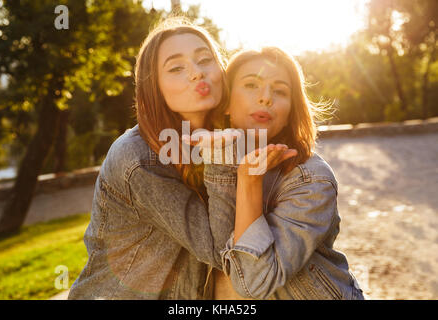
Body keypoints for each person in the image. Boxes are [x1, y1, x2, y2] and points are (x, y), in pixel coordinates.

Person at [68, 17, 237, 299]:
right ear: (154, 87)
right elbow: (222, 251)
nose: (196, 73)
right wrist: (221, 155)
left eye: (205, 59)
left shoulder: (228, 138)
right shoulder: (139, 159)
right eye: (176, 68)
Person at [211, 47, 365, 300]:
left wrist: (250, 181)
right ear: (225, 101)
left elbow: (255, 281)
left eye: (280, 91)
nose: (266, 98)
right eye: (251, 85)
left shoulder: (311, 179)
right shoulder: (209, 162)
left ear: (291, 111)